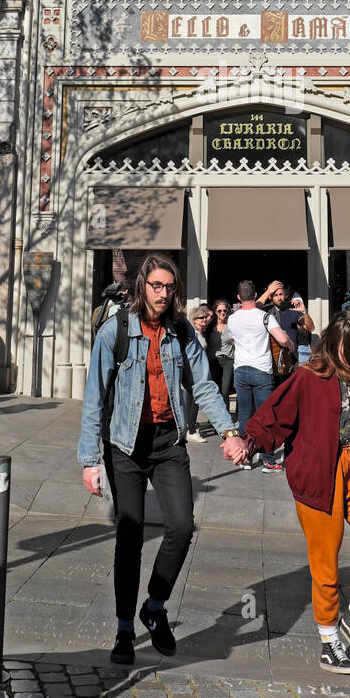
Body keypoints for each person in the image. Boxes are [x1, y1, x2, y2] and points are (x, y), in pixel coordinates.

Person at [78, 254, 244, 666]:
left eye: (169, 287)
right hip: (126, 447)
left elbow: (203, 384)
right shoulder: (114, 331)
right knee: (130, 536)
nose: (163, 293)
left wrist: (228, 430)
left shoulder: (182, 331)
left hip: (169, 444)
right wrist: (89, 458)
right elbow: (95, 398)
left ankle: (154, 605)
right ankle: (122, 627)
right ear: (142, 286)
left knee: (182, 526)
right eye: (156, 286)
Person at [230, 310, 350, 675]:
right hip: (321, 474)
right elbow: (274, 416)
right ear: (334, 343)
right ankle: (329, 641)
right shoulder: (307, 377)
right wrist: (249, 441)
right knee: (326, 566)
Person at [229, 280, 292, 474]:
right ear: (255, 295)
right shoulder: (265, 316)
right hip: (261, 370)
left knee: (245, 415)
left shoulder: (232, 318)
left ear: (238, 297)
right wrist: (291, 346)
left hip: (240, 369)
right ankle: (268, 460)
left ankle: (245, 456)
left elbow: (232, 339)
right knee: (266, 416)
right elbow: (282, 338)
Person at [185, 304, 214, 442]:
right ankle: (190, 429)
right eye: (201, 317)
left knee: (193, 400)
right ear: (194, 319)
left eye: (206, 317)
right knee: (193, 400)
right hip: (193, 372)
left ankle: (189, 427)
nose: (205, 320)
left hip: (198, 372)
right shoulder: (193, 334)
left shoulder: (202, 333)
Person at [209, 299, 235, 415]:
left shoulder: (231, 326)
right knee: (215, 392)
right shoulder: (210, 327)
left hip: (228, 361)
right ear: (215, 312)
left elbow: (238, 342)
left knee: (225, 391)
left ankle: (226, 419)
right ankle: (215, 418)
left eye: (225, 311)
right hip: (214, 361)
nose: (222, 313)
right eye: (219, 311)